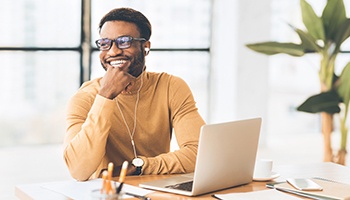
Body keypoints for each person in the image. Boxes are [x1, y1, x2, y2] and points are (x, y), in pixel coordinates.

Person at [63, 7, 206, 181]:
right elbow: (78, 170)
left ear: (145, 46)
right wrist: (105, 96)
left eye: (124, 41)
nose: (113, 51)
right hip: (107, 194)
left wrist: (139, 167)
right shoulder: (85, 98)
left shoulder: (170, 86)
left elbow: (200, 153)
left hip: (158, 191)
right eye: (105, 43)